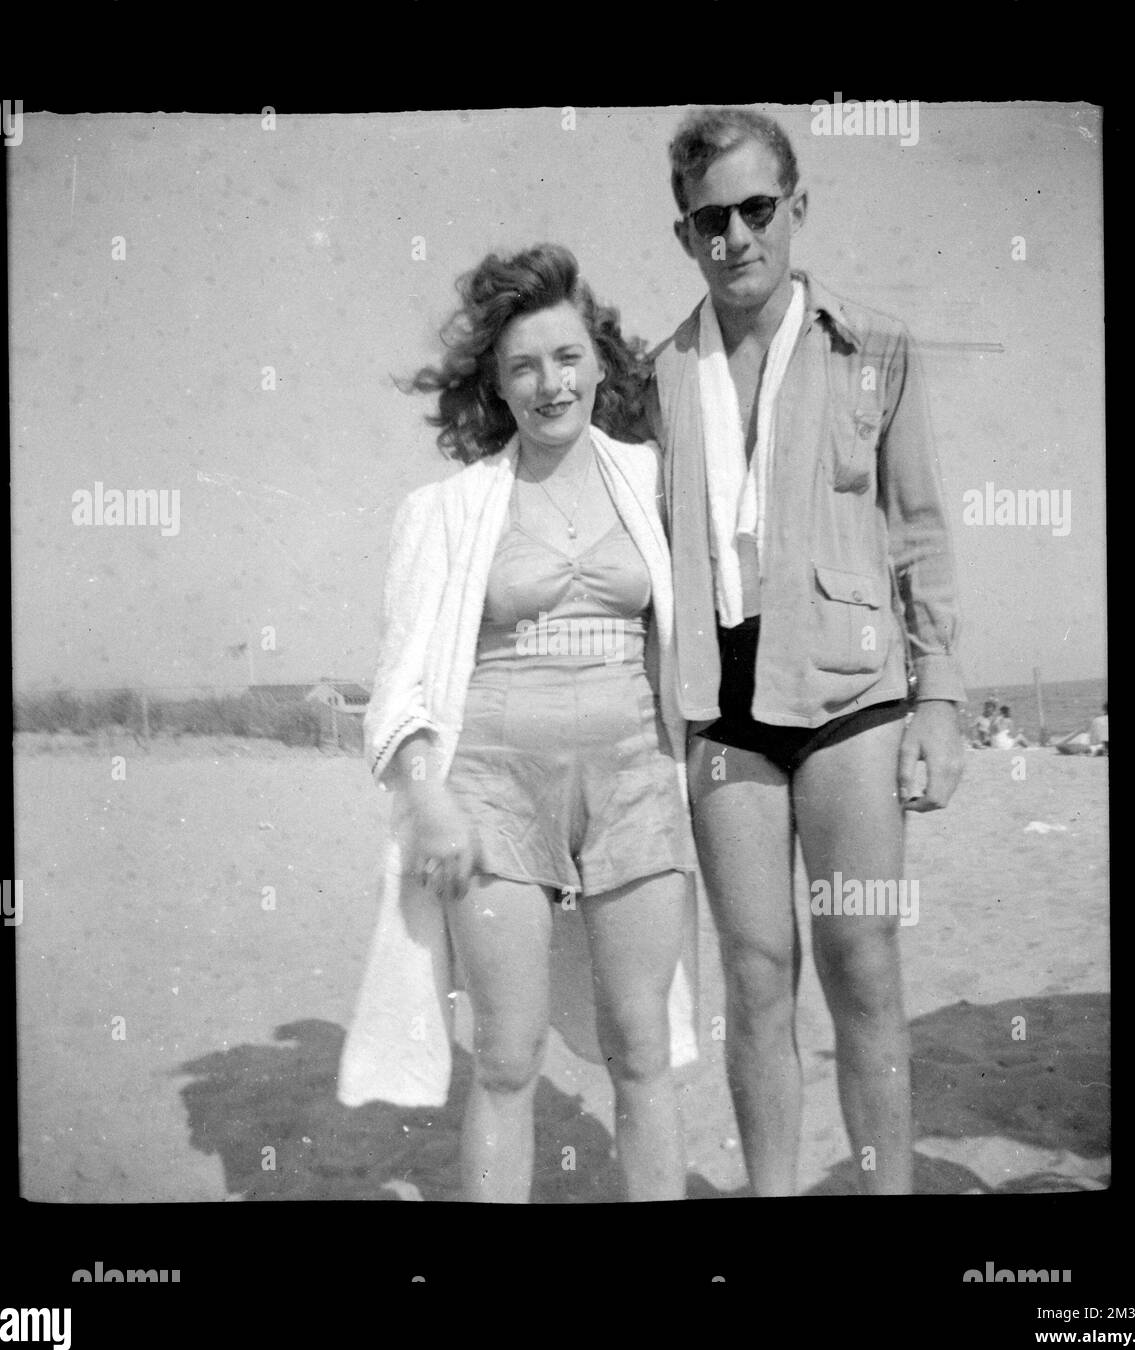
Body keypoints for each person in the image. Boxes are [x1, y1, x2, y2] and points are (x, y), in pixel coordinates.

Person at [644, 107, 966, 1196]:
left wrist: (942, 705)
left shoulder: (871, 346)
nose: (735, 236)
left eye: (754, 209)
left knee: (862, 964)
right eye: (708, 220)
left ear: (796, 207)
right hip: (721, 708)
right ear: (685, 234)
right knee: (755, 971)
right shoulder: (659, 376)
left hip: (850, 700)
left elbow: (919, 531)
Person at [336, 244, 699, 1203]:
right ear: (496, 387)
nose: (550, 383)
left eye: (567, 357)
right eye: (524, 366)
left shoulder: (655, 481)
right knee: (505, 1055)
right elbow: (399, 687)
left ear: (600, 361)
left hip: (634, 779)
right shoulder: (449, 510)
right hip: (493, 789)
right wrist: (429, 801)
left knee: (643, 1048)